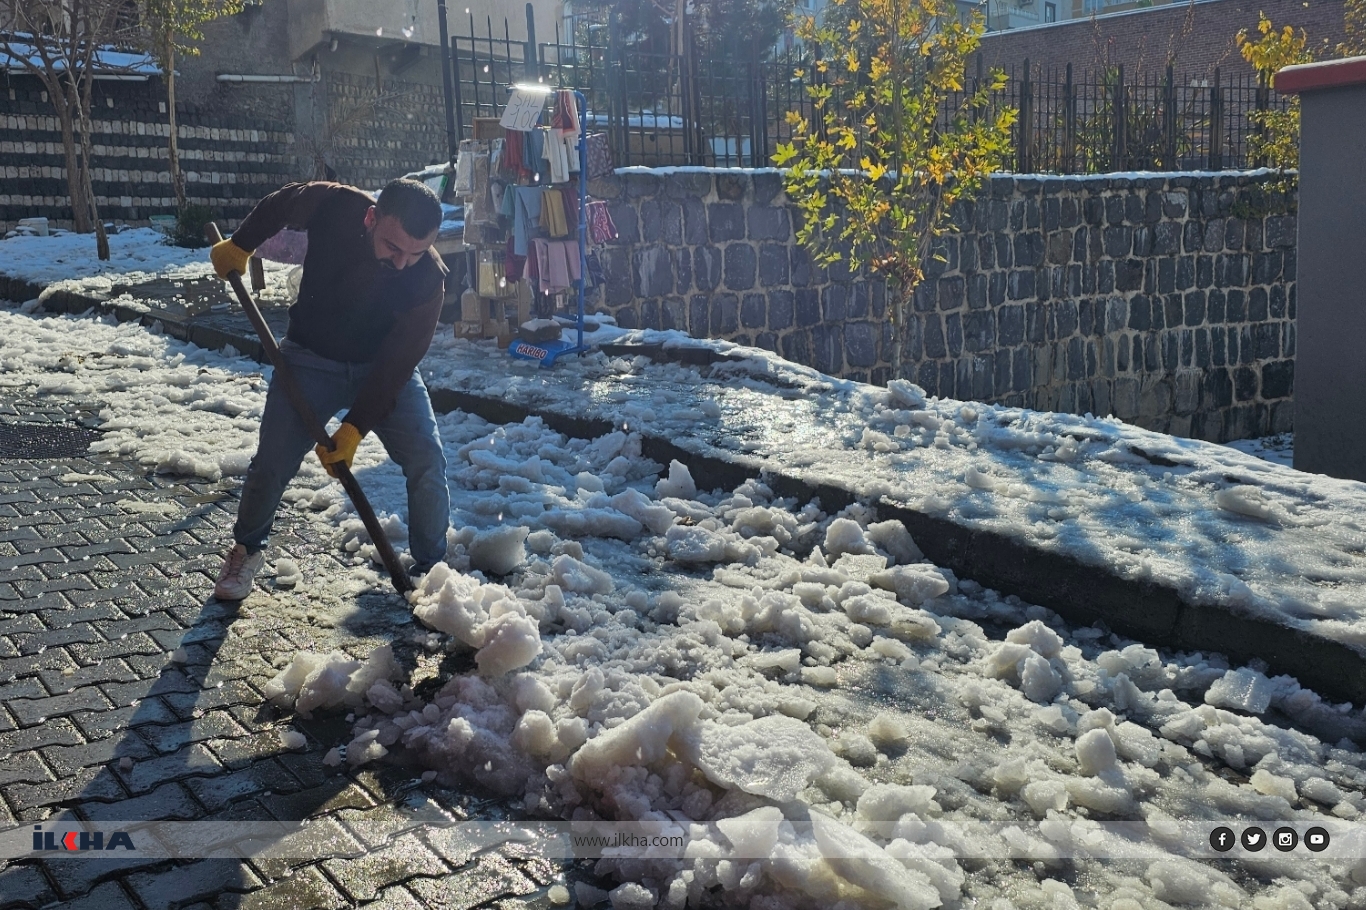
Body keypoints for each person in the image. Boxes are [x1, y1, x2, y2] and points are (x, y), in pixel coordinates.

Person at [209, 178, 451, 600]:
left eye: (415, 253)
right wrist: (241, 244)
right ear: (372, 217)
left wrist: (356, 426)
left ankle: (432, 570)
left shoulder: (426, 279)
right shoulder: (334, 204)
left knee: (427, 459)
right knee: (272, 463)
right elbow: (282, 202)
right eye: (394, 248)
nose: (401, 264)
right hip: (309, 357)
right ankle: (246, 550)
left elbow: (399, 362)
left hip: (381, 367)